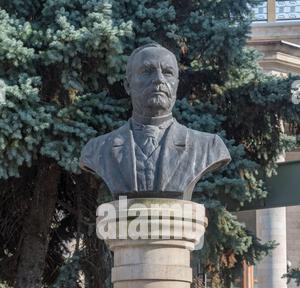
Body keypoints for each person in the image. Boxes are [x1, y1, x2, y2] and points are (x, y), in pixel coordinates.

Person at [80, 43, 231, 199]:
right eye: (147, 71)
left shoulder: (208, 147)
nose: (159, 79)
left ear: (176, 85)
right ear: (127, 85)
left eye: (167, 72)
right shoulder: (98, 149)